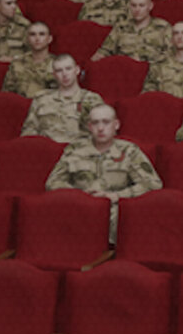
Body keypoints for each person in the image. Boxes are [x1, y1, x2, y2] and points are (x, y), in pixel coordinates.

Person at [45, 103, 162, 241]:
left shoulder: (129, 151)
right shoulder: (75, 150)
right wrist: (78, 195)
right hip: (78, 212)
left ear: (116, 125)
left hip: (115, 214)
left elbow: (153, 184)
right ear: (89, 127)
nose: (100, 128)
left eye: (106, 122)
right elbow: (52, 182)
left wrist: (116, 195)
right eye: (95, 123)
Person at [91, 0, 171, 62]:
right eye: (133, 5)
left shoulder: (163, 27)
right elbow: (105, 51)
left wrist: (149, 61)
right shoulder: (120, 27)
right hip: (123, 68)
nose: (137, 10)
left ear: (150, 6)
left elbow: (172, 54)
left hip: (152, 69)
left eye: (141, 5)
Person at [1, 21, 55, 97]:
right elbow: (7, 94)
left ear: (49, 39)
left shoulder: (58, 64)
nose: (37, 38)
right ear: (27, 39)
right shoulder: (17, 63)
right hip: (19, 103)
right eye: (33, 34)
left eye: (42, 34)